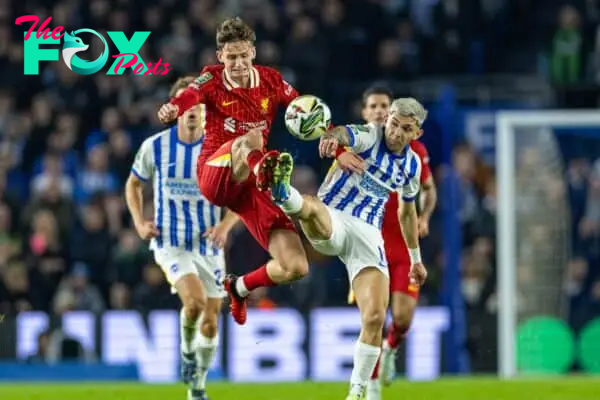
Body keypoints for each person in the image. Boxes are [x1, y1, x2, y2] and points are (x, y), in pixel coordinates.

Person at [266, 98, 429, 400]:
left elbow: (407, 214)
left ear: (416, 134)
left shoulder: (412, 166)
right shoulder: (371, 134)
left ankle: (356, 393)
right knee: (312, 208)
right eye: (393, 123)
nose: (395, 132)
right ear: (387, 119)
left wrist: (415, 259)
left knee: (375, 317)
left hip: (368, 236)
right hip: (336, 218)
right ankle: (282, 191)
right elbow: (344, 133)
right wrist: (332, 138)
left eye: (405, 129)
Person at [157, 17, 309, 326]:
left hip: (249, 186)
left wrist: (334, 138)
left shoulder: (271, 80)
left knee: (296, 266)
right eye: (231, 57)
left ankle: (238, 287)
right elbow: (190, 96)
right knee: (249, 140)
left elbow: (303, 109)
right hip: (215, 174)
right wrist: (175, 106)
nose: (237, 63)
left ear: (253, 52)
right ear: (220, 56)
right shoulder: (211, 78)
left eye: (243, 55)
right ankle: (267, 173)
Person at [126, 77, 239, 400]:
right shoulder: (155, 146)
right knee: (195, 303)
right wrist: (138, 222)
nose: (192, 110)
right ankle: (187, 353)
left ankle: (197, 386)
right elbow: (133, 184)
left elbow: (240, 197)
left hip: (208, 245)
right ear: (175, 109)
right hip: (170, 242)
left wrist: (225, 227)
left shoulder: (219, 150)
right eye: (184, 103)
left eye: (198, 104)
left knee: (211, 322)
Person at [338, 87, 437, 399]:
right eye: (374, 107)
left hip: (401, 243)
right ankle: (373, 385)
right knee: (374, 317)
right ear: (366, 113)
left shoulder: (415, 154)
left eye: (385, 105)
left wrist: (425, 217)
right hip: (368, 244)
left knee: (403, 316)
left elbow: (429, 189)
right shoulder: (360, 143)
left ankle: (392, 347)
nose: (380, 111)